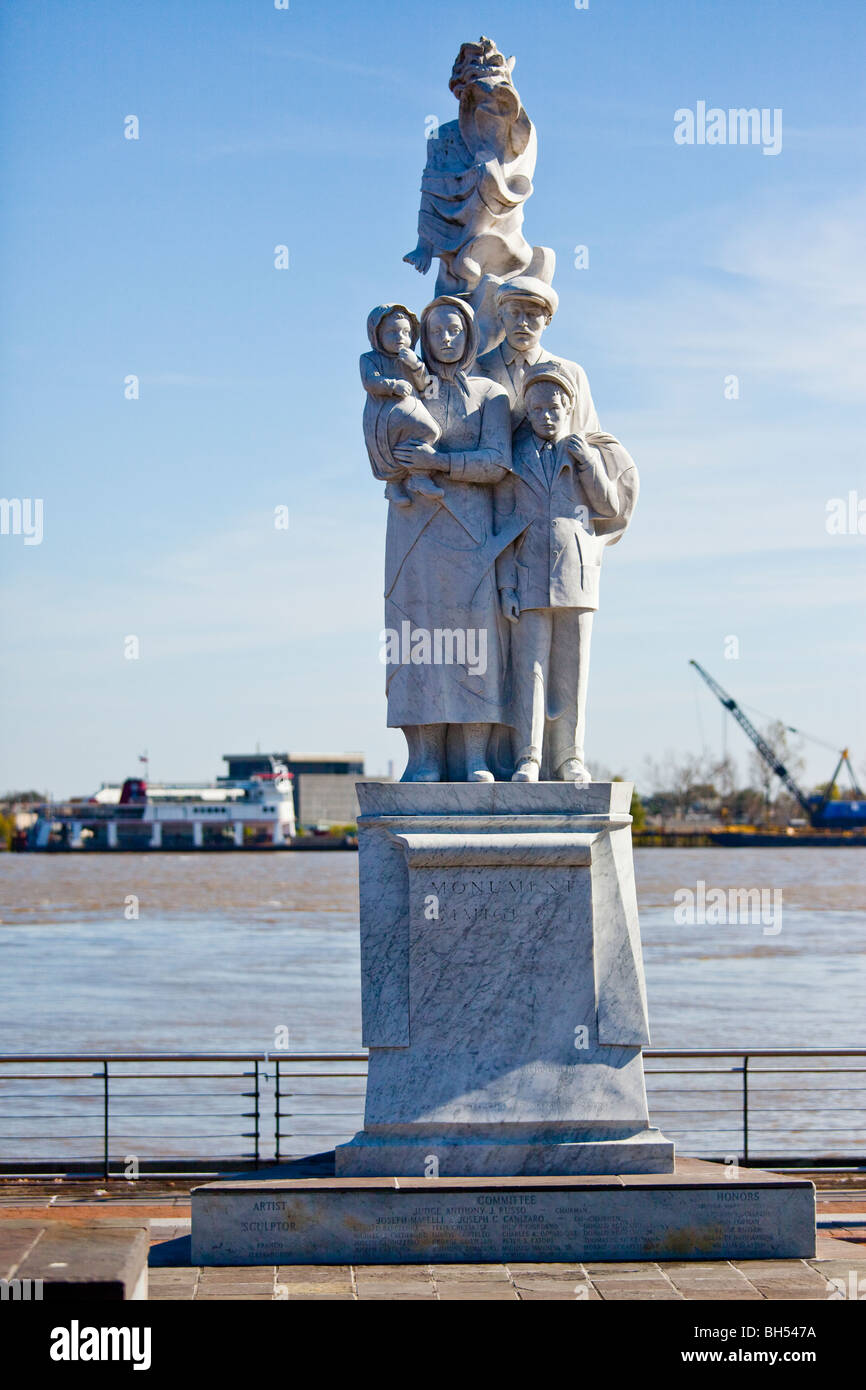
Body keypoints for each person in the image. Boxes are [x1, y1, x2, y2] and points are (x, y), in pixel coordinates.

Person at [381, 295, 523, 782]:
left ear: (469, 336)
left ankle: (475, 758)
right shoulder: (406, 390)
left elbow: (498, 463)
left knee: (474, 642)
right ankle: (423, 759)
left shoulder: (489, 395)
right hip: (414, 531)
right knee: (414, 639)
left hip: (470, 533)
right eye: (437, 330)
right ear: (423, 335)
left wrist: (440, 464)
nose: (446, 338)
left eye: (455, 330)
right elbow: (380, 440)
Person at [494, 364, 638, 783]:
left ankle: (570, 756)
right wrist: (506, 585)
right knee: (529, 671)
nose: (546, 417)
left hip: (576, 575)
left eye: (554, 408)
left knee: (572, 672)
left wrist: (589, 463)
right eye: (537, 409)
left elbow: (609, 508)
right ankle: (528, 756)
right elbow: (503, 524)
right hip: (527, 572)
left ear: (569, 407)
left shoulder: (584, 452)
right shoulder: (514, 457)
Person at [477, 276, 598, 431]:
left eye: (532, 314)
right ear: (500, 316)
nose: (522, 322)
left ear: (548, 320)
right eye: (514, 313)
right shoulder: (477, 368)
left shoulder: (572, 372)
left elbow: (588, 436)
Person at [360, 304, 443, 506]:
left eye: (406, 332)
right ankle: (393, 483)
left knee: (430, 430)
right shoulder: (369, 359)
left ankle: (419, 474)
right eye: (392, 332)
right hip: (382, 412)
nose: (400, 337)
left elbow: (425, 384)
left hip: (410, 408)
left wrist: (416, 366)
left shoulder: (411, 358)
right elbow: (370, 381)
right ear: (377, 334)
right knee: (386, 449)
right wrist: (392, 385)